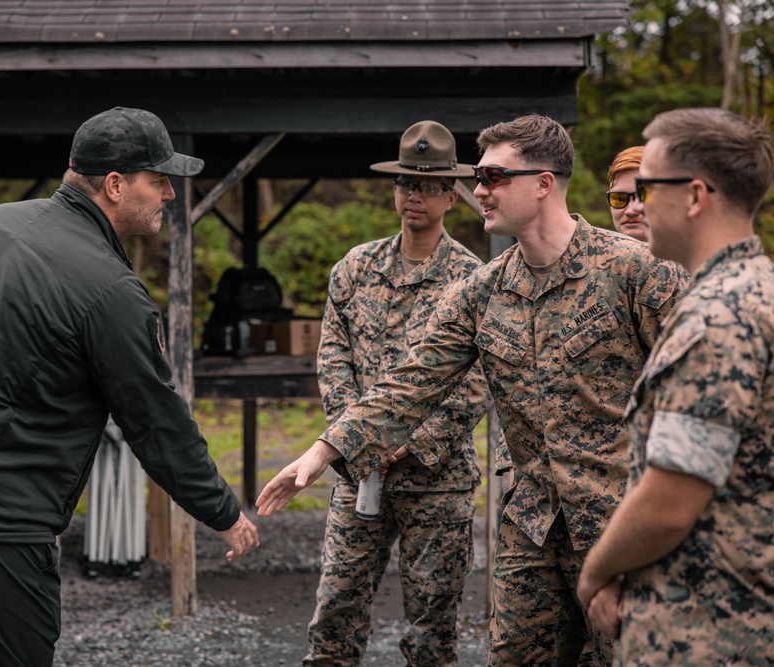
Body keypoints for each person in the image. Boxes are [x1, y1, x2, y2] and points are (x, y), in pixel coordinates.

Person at [257, 114, 687, 666]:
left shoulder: (636, 272)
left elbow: (696, 394)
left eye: (492, 177)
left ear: (544, 182)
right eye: (478, 178)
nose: (478, 191)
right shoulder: (481, 292)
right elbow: (410, 383)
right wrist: (323, 452)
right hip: (530, 530)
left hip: (620, 528)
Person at [0, 107, 260, 667]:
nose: (170, 195)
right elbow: (156, 423)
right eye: (159, 179)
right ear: (116, 185)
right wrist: (223, 511)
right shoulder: (110, 290)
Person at [577, 108, 774, 665]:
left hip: (708, 630)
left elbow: (669, 504)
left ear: (693, 197)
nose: (634, 206)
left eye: (646, 189)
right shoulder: (756, 289)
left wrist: (596, 572)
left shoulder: (717, 317)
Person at [307, 121, 492, 666]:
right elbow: (332, 352)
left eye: (429, 185)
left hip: (436, 479)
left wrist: (411, 444)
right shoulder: (357, 267)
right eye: (406, 183)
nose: (415, 194)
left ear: (450, 197)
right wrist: (355, 437)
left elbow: (477, 379)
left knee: (432, 627)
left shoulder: (470, 277)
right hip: (357, 472)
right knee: (335, 611)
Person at [606, 146, 649, 242]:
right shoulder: (591, 255)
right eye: (619, 199)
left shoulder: (688, 255)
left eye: (643, 197)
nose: (630, 211)